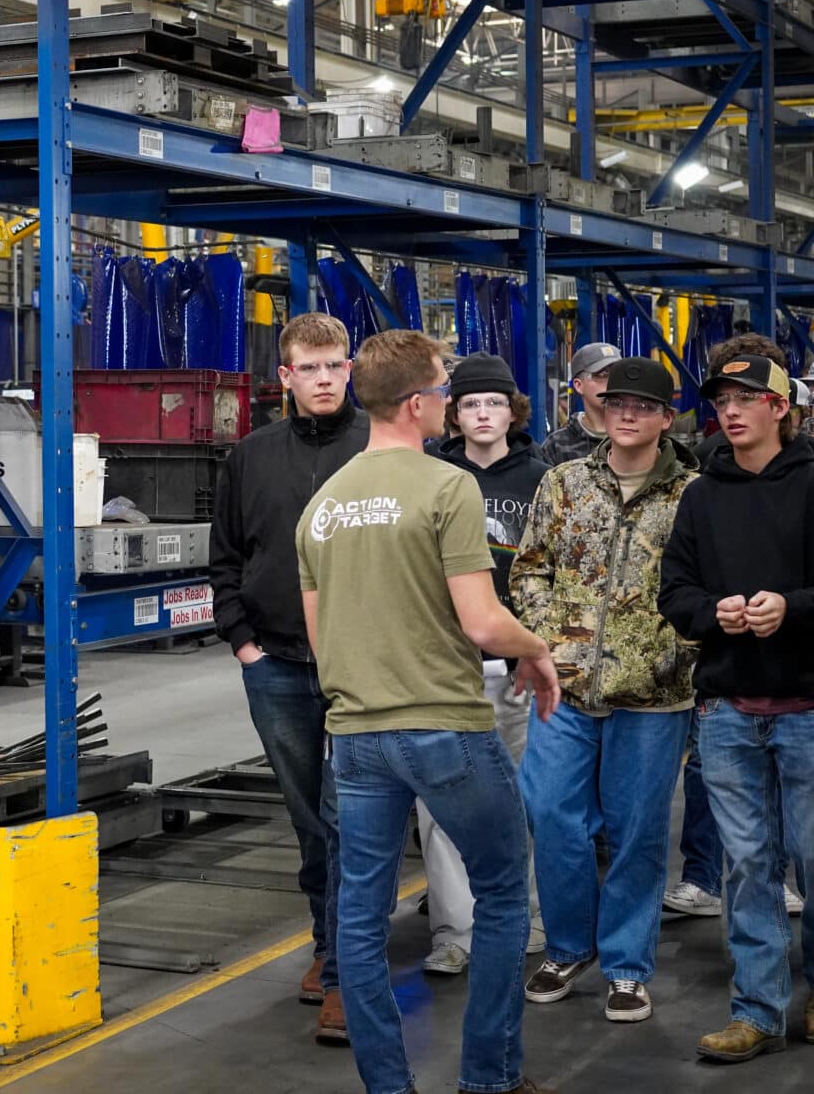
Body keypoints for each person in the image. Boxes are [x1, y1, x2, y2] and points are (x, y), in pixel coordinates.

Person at [297, 329, 560, 1094]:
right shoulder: (450, 489)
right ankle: (490, 1080)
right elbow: (482, 623)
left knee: (360, 913)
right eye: (444, 390)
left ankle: (389, 1085)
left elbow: (321, 642)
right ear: (416, 404)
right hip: (444, 724)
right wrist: (536, 648)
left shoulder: (324, 503)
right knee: (506, 894)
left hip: (356, 738)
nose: (449, 402)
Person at [510, 357, 696, 1024]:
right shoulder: (564, 483)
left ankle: (625, 964)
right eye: (617, 402)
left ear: (665, 418)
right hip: (567, 686)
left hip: (653, 695)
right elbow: (530, 569)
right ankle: (566, 947)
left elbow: (704, 586)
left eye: (642, 407)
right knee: (552, 814)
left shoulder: (692, 493)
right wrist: (545, 645)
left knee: (637, 832)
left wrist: (680, 652)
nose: (626, 414)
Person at [209, 311, 368, 1039]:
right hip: (274, 662)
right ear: (286, 377)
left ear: (352, 368)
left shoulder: (377, 447)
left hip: (362, 664)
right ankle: (326, 939)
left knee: (346, 819)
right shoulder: (250, 456)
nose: (326, 378)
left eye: (336, 364)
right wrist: (244, 642)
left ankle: (342, 975)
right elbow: (226, 560)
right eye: (311, 367)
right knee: (310, 822)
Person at [659, 353, 814, 1063]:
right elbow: (675, 593)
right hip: (726, 710)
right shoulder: (702, 495)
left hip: (808, 707)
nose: (732, 409)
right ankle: (757, 1009)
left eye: (748, 397)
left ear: (780, 408)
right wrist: (711, 614)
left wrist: (793, 607)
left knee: (813, 858)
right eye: (723, 397)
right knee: (748, 865)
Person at [419, 353, 550, 975]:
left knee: (525, 800)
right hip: (447, 667)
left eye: (493, 403)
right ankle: (454, 931)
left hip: (519, 669)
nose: (482, 414)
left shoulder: (543, 478)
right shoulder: (432, 477)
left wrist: (538, 648)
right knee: (446, 805)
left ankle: (523, 916)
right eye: (470, 403)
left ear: (512, 410)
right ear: (454, 413)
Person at [538, 341, 622, 465]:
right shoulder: (557, 446)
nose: (612, 383)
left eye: (617, 374)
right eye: (602, 375)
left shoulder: (633, 435)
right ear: (578, 385)